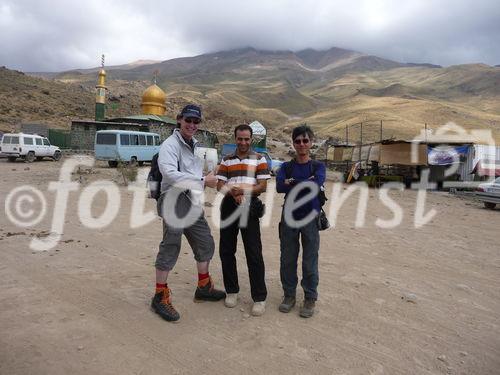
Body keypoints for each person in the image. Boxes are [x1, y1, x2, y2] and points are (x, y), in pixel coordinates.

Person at [152, 104, 226, 322]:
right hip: (173, 199)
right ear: (179, 120)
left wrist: (207, 177)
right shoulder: (170, 145)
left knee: (205, 242)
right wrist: (204, 180)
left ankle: (204, 285)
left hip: (190, 200)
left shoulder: (193, 145)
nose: (192, 125)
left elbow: (191, 175)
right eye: (188, 121)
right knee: (171, 244)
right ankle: (159, 295)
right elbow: (170, 174)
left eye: (196, 122)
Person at [216, 124, 270, 316]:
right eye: (240, 138)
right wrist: (233, 193)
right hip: (229, 207)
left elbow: (262, 186)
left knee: (254, 252)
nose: (243, 142)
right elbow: (219, 185)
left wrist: (243, 191)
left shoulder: (260, 159)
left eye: (247, 139)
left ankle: (259, 297)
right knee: (227, 250)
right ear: (235, 138)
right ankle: (231, 291)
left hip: (250, 207)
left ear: (251, 139)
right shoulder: (227, 160)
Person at [276, 124, 326, 318]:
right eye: (298, 141)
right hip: (289, 218)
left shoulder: (318, 166)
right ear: (293, 143)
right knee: (287, 258)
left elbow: (317, 184)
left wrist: (293, 182)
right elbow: (280, 186)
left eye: (305, 140)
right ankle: (289, 295)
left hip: (311, 218)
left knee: (310, 259)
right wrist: (305, 182)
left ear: (311, 142)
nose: (301, 144)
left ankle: (310, 297)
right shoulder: (286, 167)